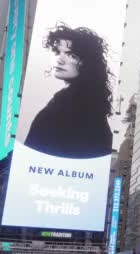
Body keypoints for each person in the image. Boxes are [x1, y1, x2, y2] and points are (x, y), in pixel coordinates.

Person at [24, 23, 113, 158]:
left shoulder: (78, 105)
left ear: (87, 62)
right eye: (57, 52)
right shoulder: (73, 101)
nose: (59, 60)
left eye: (71, 54)